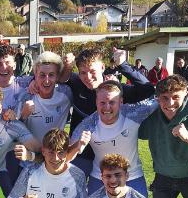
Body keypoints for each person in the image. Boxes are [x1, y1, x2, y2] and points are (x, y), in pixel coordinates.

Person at [60, 48, 154, 177]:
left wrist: (123, 65)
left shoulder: (115, 90)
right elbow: (54, 78)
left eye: (92, 71)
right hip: (81, 154)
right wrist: (66, 66)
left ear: (103, 67)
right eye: (83, 72)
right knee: (75, 193)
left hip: (109, 157)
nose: (87, 77)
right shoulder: (76, 84)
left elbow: (147, 90)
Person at [69, 80, 157, 196]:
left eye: (112, 102)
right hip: (100, 178)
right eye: (102, 102)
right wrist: (77, 146)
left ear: (121, 102)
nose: (107, 107)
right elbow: (66, 156)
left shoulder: (133, 114)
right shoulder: (88, 124)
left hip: (132, 176)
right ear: (96, 102)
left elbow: (159, 100)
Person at [15, 51, 73, 144]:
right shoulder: (26, 96)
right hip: (30, 155)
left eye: (51, 75)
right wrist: (23, 116)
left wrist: (69, 65)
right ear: (35, 75)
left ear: (57, 76)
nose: (46, 81)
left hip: (55, 154)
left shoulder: (66, 93)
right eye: (42, 75)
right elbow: (14, 132)